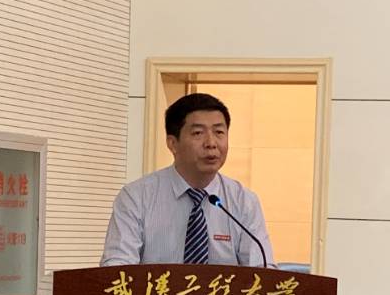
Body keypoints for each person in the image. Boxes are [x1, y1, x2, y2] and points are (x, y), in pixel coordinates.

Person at [100, 93, 275, 267]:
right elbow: (117, 267)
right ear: (172, 144)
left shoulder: (243, 201)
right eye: (198, 133)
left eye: (219, 132)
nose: (211, 143)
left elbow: (263, 270)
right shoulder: (137, 197)